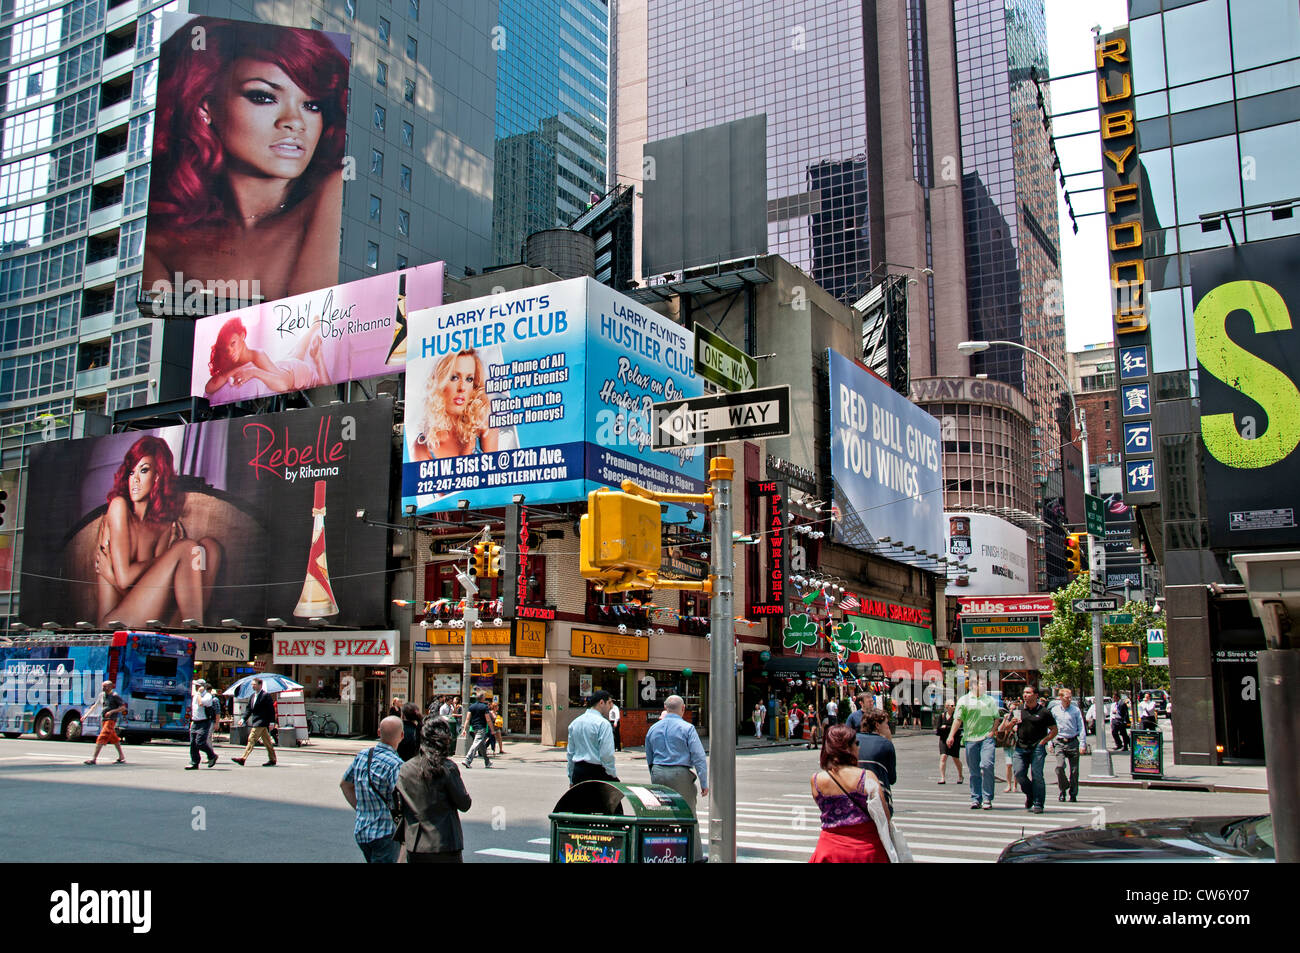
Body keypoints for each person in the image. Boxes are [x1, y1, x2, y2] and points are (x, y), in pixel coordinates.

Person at [143, 18, 349, 303]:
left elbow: (316, 333)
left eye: (311, 105)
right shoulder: (160, 246)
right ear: (206, 106)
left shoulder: (336, 191)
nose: (294, 122)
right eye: (263, 97)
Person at [93, 435, 223, 628]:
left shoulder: (163, 525)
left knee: (209, 548)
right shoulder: (119, 508)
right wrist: (166, 558)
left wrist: (167, 558)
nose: (134, 480)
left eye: (143, 470)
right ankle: (194, 633)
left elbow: (151, 591)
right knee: (187, 547)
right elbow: (124, 580)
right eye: (131, 472)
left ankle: (188, 629)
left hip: (150, 617)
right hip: (115, 622)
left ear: (157, 476)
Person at [394, 715, 472, 863]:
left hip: (416, 843)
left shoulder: (406, 768)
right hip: (444, 842)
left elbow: (397, 805)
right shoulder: (446, 767)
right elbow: (464, 803)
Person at [809, 725, 891, 863]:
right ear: (847, 747)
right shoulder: (867, 776)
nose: (858, 747)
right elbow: (884, 816)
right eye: (856, 743)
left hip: (830, 850)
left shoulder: (816, 780)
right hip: (865, 849)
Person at [644, 695, 708, 862]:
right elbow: (699, 757)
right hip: (680, 773)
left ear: (665, 707)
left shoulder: (653, 728)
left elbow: (649, 755)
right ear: (683, 709)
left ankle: (660, 854)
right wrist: (704, 782)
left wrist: (654, 773)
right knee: (688, 815)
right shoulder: (687, 728)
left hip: (658, 772)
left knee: (662, 815)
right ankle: (695, 856)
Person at [203, 316, 329, 398]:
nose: (230, 351)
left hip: (293, 373)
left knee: (298, 357)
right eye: (226, 348)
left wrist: (253, 372)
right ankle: (313, 328)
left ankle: (318, 357)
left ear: (242, 336)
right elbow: (209, 388)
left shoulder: (257, 355)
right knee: (296, 353)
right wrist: (236, 370)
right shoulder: (233, 363)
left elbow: (284, 384)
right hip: (283, 365)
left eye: (233, 343)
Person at [412, 349, 500, 460]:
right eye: (454, 378)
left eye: (469, 379)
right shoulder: (422, 446)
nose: (462, 387)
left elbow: (493, 475)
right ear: (440, 382)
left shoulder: (485, 427)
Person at [340, 716, 405, 863]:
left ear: (378, 732)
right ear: (401, 736)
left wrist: (361, 808)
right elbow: (402, 798)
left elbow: (345, 784)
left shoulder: (363, 756)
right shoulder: (396, 764)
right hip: (385, 832)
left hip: (362, 830)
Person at [949, 678, 1000, 810]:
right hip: (970, 738)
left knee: (987, 765)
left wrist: (992, 732)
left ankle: (987, 797)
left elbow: (996, 718)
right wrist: (951, 735)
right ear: (973, 686)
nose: (983, 686)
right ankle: (976, 798)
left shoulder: (989, 700)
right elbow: (958, 719)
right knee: (974, 770)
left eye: (984, 684)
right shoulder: (963, 700)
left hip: (986, 738)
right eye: (981, 684)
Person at [1008, 686, 1057, 814]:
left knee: (1037, 775)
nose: (1025, 695)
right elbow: (1007, 727)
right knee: (1018, 773)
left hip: (1037, 748)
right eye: (1024, 692)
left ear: (1035, 695)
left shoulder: (1044, 712)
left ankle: (1038, 803)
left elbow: (1054, 730)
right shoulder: (1018, 710)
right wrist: (1011, 723)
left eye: (1028, 693)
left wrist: (1043, 742)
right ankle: (1030, 794)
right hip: (1021, 747)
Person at [566, 690, 618, 785]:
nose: (611, 707)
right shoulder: (603, 724)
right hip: (597, 773)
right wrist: (612, 775)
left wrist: (571, 777)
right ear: (601, 702)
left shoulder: (575, 723)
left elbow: (570, 753)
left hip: (578, 772)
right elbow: (606, 755)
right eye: (609, 703)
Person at [1050, 688, 1086, 803]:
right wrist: (1050, 742)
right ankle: (1063, 789)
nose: (1069, 699)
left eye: (1070, 697)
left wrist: (1082, 743)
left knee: (1074, 771)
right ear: (1060, 697)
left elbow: (1081, 727)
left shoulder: (1075, 710)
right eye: (1067, 697)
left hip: (1073, 741)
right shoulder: (1055, 710)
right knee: (1060, 767)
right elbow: (1050, 727)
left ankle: (1073, 794)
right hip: (1059, 741)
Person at [232, 677, 278, 766]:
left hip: (261, 721)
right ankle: (272, 759)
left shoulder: (265, 695)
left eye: (254, 684)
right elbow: (249, 709)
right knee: (267, 742)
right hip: (257, 721)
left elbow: (271, 709)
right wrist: (243, 719)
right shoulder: (252, 696)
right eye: (252, 684)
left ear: (260, 685)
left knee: (251, 739)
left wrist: (272, 722)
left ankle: (243, 758)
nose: (253, 686)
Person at [855, 710, 898, 801]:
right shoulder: (886, 744)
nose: (888, 727)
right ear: (877, 725)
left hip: (854, 793)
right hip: (877, 797)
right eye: (886, 724)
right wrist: (889, 740)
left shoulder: (852, 739)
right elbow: (892, 778)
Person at [83, 680, 128, 765]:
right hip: (104, 720)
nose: (103, 688)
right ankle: (121, 757)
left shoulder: (115, 696)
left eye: (105, 686)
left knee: (102, 737)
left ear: (111, 687)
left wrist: (112, 711)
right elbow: (95, 706)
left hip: (111, 720)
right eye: (103, 686)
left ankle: (94, 759)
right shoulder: (102, 695)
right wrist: (86, 715)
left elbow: (123, 708)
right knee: (114, 738)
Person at [185, 679, 219, 770]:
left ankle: (212, 756)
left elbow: (201, 703)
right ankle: (194, 762)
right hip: (195, 721)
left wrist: (199, 694)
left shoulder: (207, 696)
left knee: (200, 742)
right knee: (193, 744)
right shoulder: (196, 695)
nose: (196, 687)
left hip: (204, 722)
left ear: (203, 687)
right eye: (195, 686)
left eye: (198, 686)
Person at [461, 693, 493, 768]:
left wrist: (464, 729)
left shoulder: (472, 706)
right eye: (484, 697)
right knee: (476, 744)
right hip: (481, 727)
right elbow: (488, 719)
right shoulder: (485, 707)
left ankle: (487, 762)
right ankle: (467, 759)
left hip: (474, 727)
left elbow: (467, 719)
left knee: (481, 745)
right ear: (482, 698)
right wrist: (492, 729)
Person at [935, 702, 964, 784]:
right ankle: (942, 777)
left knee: (955, 758)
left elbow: (960, 728)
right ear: (947, 706)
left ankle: (960, 775)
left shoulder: (957, 716)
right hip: (943, 739)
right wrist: (942, 728)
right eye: (952, 705)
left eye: (954, 705)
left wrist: (947, 727)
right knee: (943, 756)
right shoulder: (942, 716)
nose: (954, 706)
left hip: (954, 739)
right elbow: (938, 729)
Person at [1001, 698, 1019, 792]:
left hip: (1017, 743)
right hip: (1008, 743)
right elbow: (1001, 729)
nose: (1012, 711)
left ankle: (1015, 785)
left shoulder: (1019, 718)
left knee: (1016, 765)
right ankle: (1008, 785)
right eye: (1010, 709)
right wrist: (1005, 720)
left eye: (1014, 709)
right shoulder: (1007, 717)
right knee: (1008, 764)